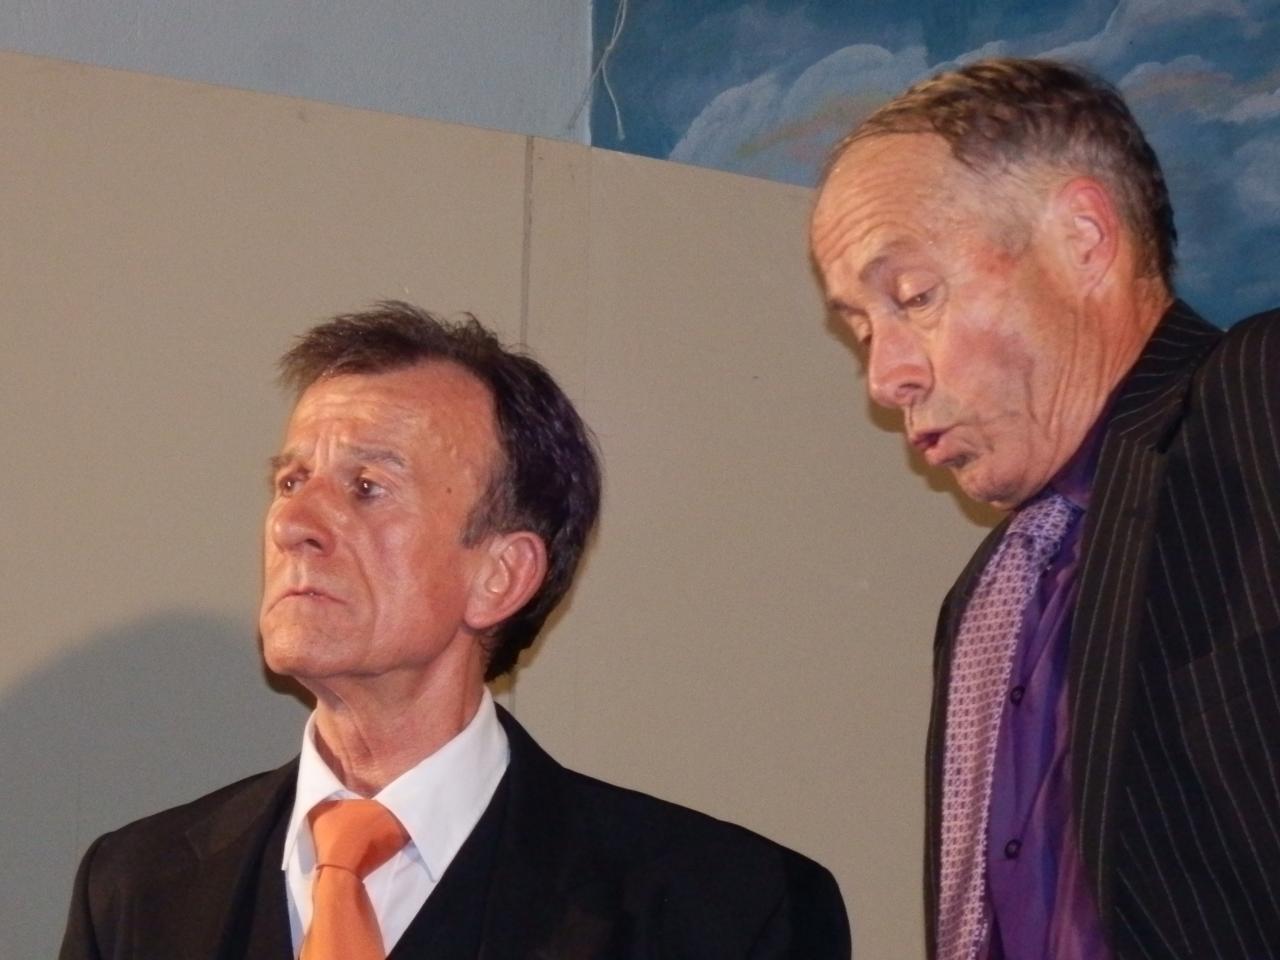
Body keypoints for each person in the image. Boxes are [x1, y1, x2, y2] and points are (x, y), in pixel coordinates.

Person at [59, 302, 850, 959]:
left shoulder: (727, 912)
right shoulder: (134, 889)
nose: (293, 523)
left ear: (500, 575)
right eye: (291, 480)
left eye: (367, 487)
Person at [810, 58, 1279, 960]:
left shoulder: (1255, 396)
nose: (885, 377)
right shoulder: (987, 594)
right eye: (863, 329)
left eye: (915, 297)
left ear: (1083, 238)